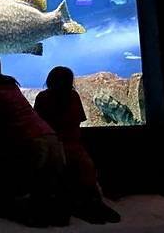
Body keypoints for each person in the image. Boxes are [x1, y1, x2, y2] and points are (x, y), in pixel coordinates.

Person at [0, 48, 69, 227]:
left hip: (30, 145)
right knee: (45, 190)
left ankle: (0, 208)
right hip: (53, 141)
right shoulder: (10, 83)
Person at [34, 66, 120, 224]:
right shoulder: (73, 96)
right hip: (75, 147)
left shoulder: (42, 97)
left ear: (49, 81)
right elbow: (78, 120)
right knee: (87, 179)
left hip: (53, 147)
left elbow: (38, 123)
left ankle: (79, 206)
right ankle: (94, 205)